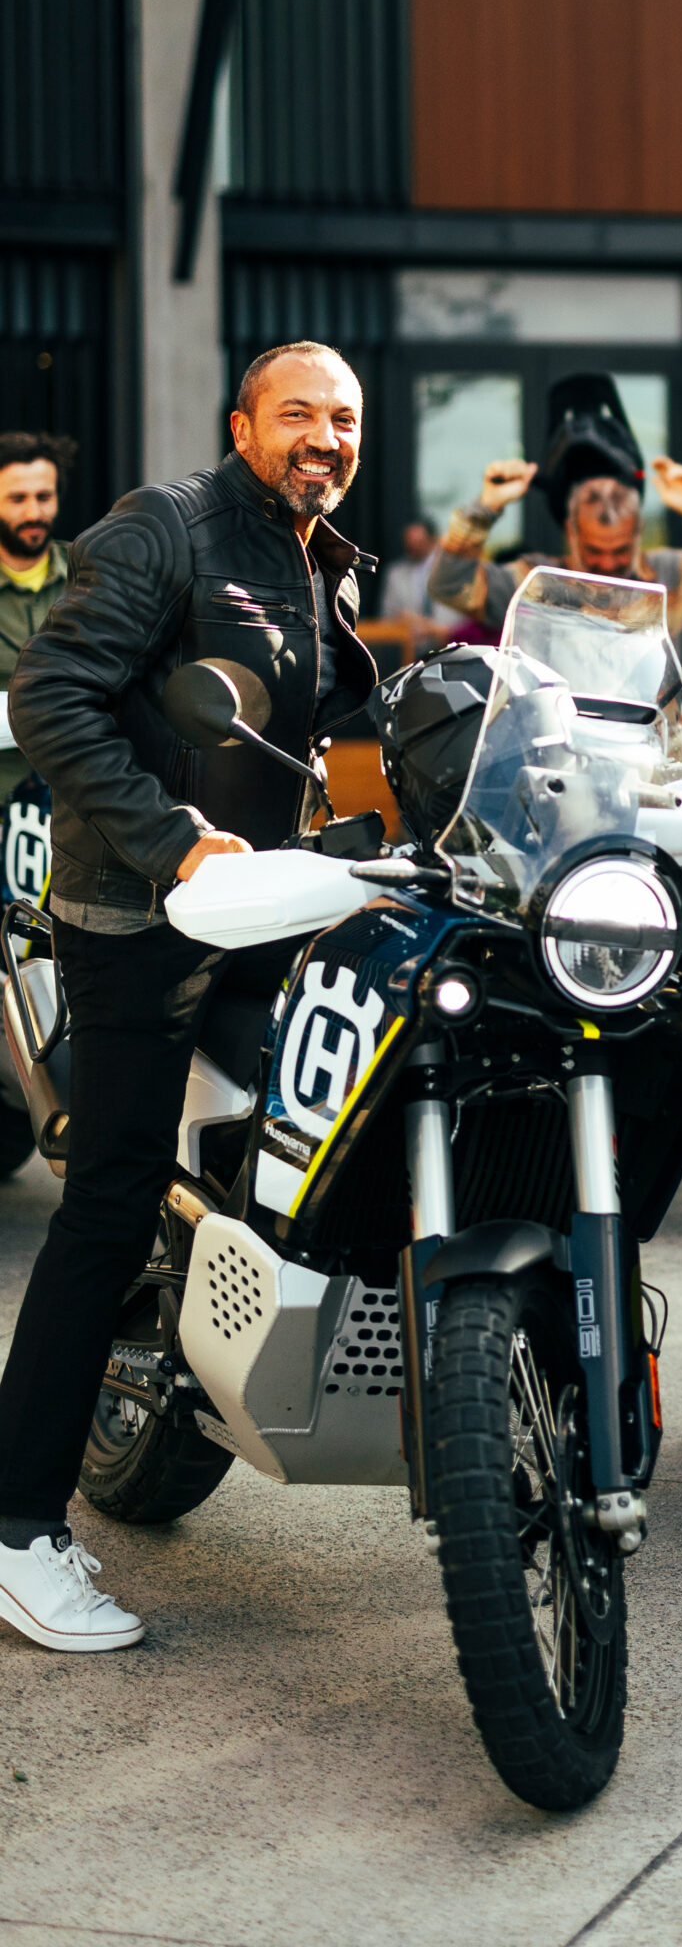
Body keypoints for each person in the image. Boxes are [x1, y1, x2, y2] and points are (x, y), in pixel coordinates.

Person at [0, 342, 376, 1654]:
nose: (321, 436)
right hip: (136, 921)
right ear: (243, 423)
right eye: (297, 415)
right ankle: (15, 1530)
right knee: (105, 1201)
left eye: (341, 418)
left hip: (255, 918)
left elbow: (300, 737)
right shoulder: (168, 528)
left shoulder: (316, 551)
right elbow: (48, 693)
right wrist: (171, 839)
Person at [430, 453, 682, 644]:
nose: (609, 563)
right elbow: (449, 586)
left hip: (660, 749)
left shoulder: (673, 572)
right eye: (595, 550)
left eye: (621, 549)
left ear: (638, 530)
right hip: (560, 747)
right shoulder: (535, 580)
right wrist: (484, 508)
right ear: (571, 532)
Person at [0, 431, 75, 813]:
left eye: (43, 497)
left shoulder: (93, 576)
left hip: (76, 812)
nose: (33, 513)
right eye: (17, 499)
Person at [379, 520, 456, 645]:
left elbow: (467, 619)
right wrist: (401, 621)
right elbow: (386, 618)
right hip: (409, 649)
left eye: (419, 543)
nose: (413, 547)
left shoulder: (456, 570)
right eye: (409, 544)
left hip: (449, 645)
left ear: (433, 540)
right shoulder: (395, 573)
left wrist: (431, 628)